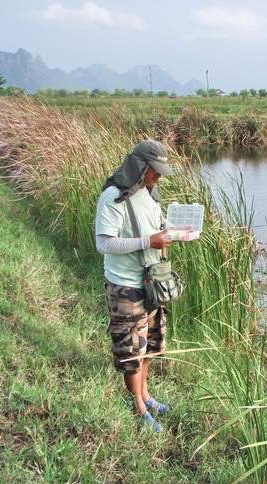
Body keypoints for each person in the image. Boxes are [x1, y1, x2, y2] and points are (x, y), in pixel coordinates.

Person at [95, 139, 175, 432]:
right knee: (131, 351)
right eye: (155, 170)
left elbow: (152, 227)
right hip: (126, 287)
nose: (159, 176)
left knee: (148, 345)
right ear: (139, 166)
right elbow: (103, 242)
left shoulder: (150, 194)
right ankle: (140, 412)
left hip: (152, 283)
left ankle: (145, 396)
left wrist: (169, 230)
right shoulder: (114, 197)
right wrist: (148, 241)